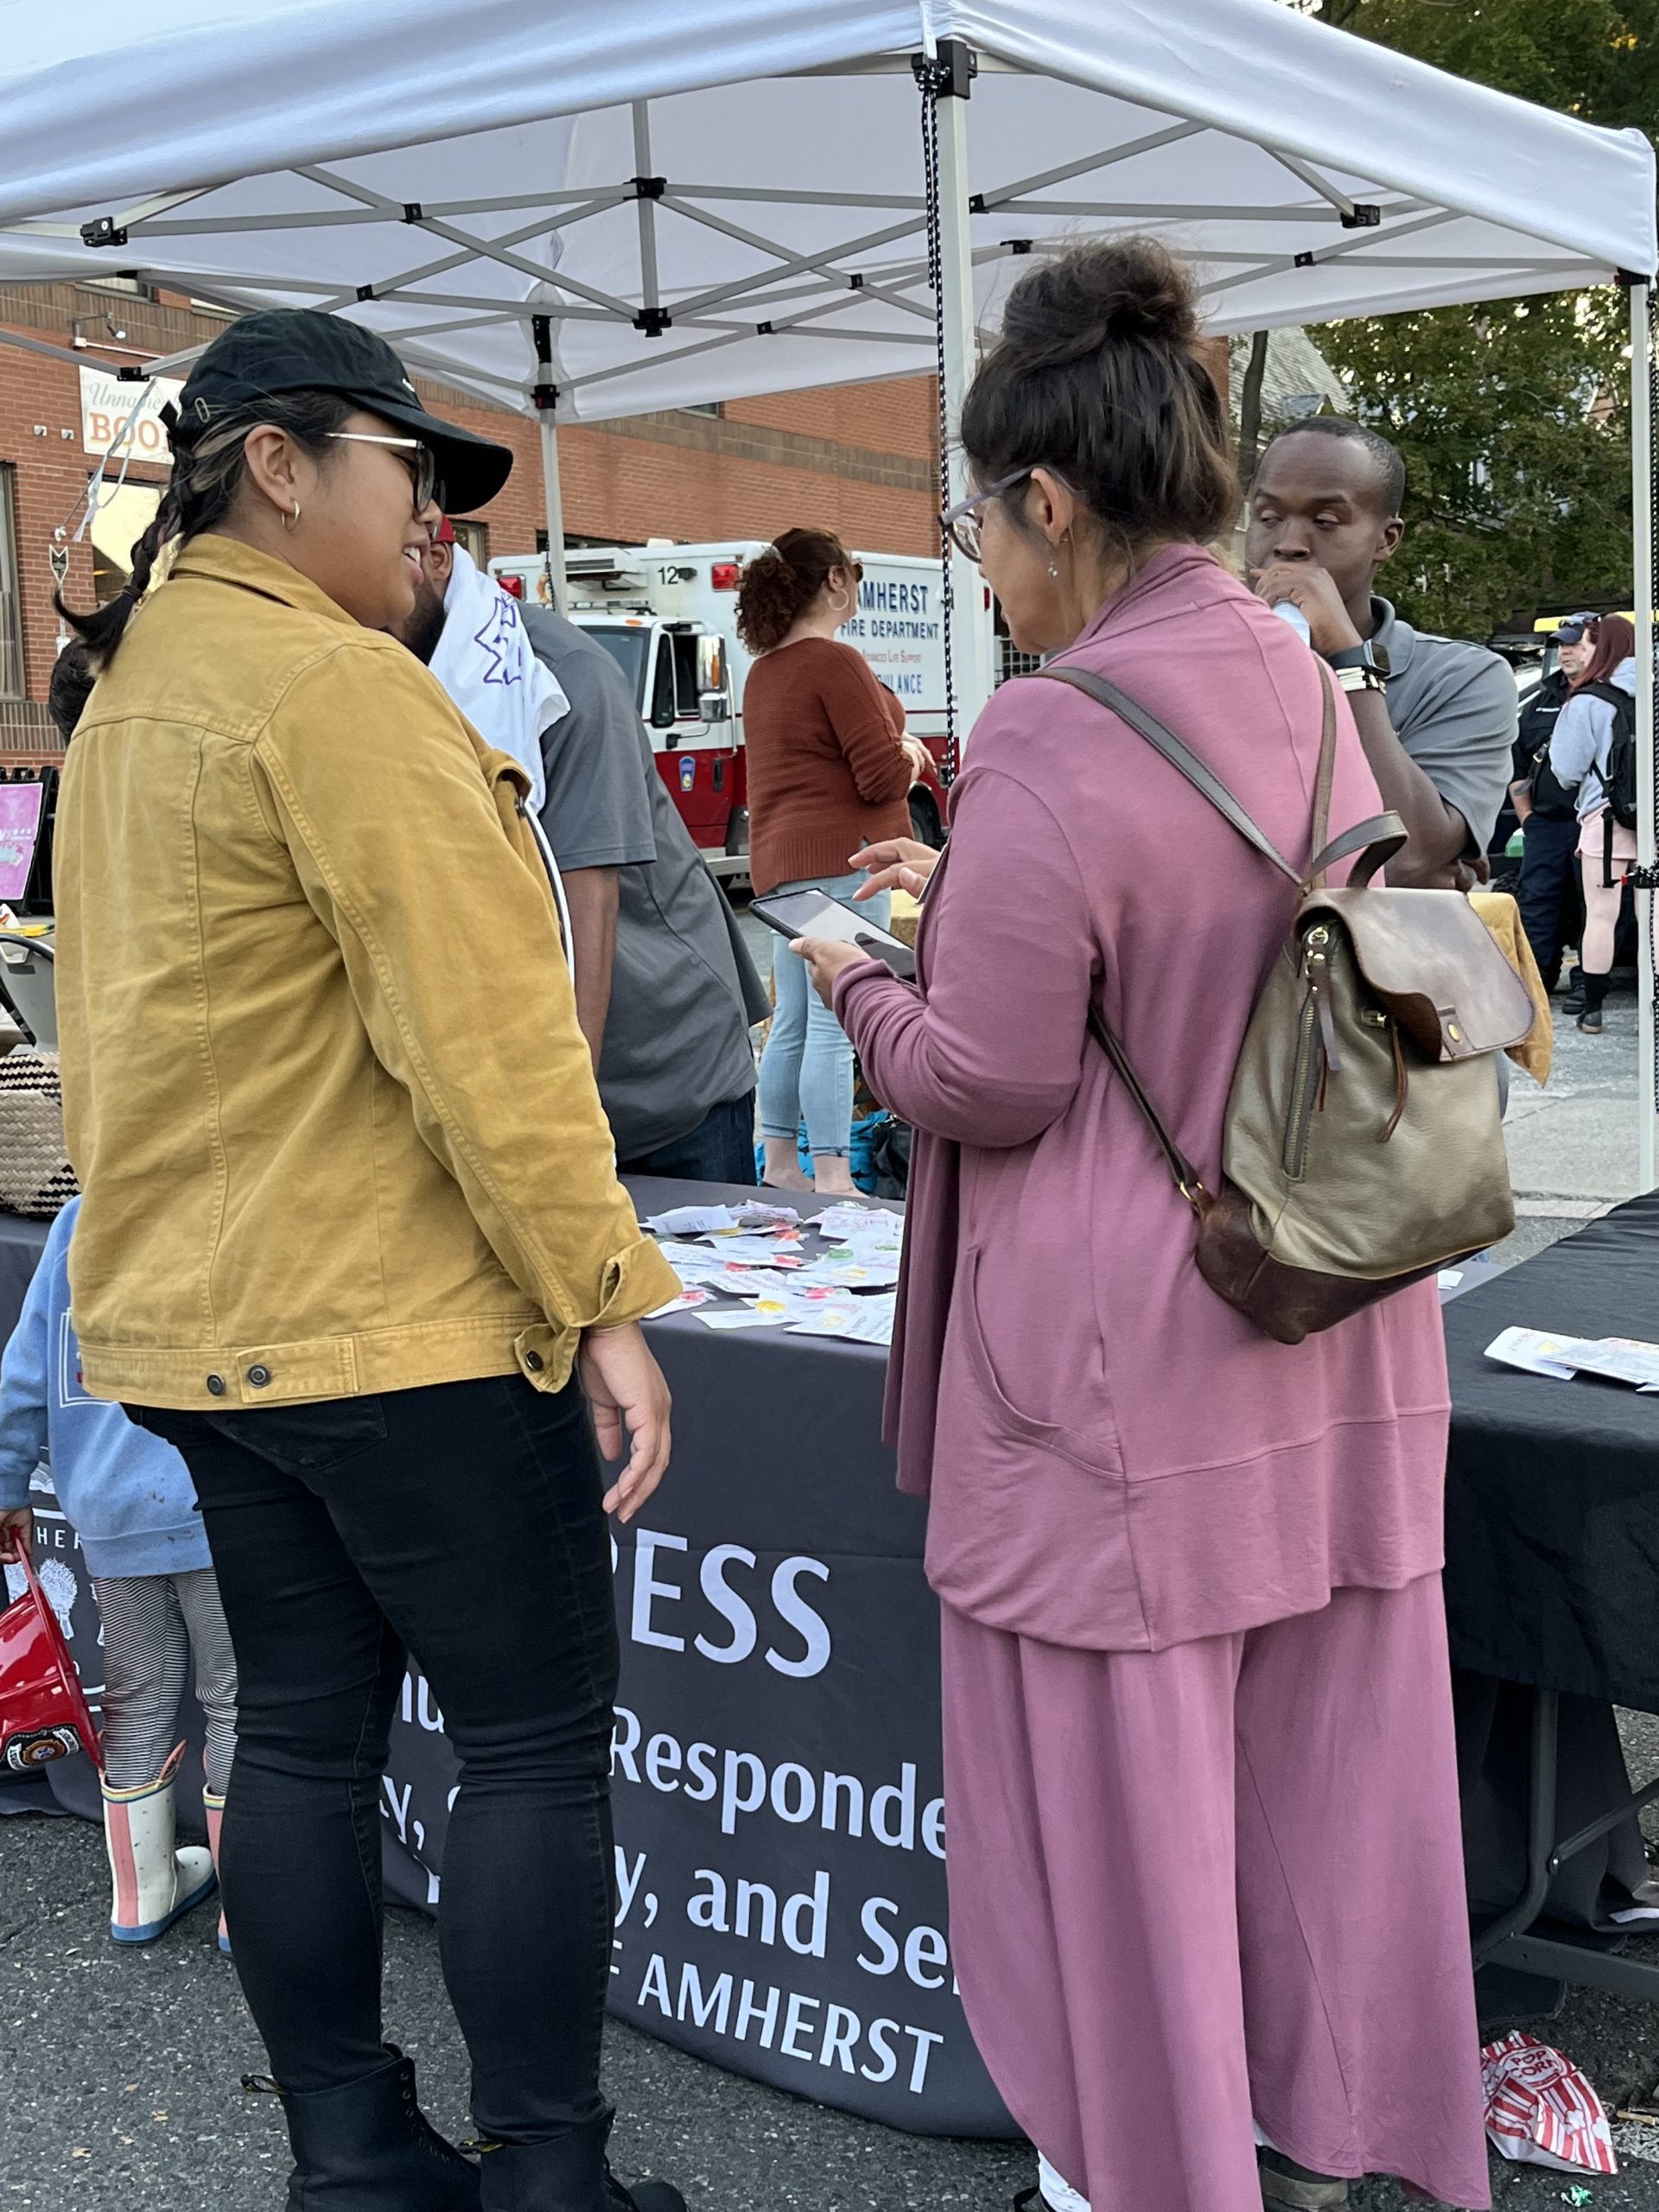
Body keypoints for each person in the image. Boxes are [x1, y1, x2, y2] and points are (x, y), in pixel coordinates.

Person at [797, 241, 1489, 2212]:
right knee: (1319, 1795)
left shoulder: (1050, 724)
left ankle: (1143, 2166)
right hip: (1333, 1299)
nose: (980, 566)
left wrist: (858, 968)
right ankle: (1318, 2115)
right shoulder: (1299, 659)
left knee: (1115, 1827)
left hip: (1120, 1363)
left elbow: (988, 1077)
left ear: (1045, 498)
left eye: (976, 522)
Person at [51, 308, 684, 2212]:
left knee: (313, 1737)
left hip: (205, 1326)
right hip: (391, 1324)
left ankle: (353, 2155)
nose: (438, 520)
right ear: (280, 461)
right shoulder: (331, 693)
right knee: (531, 1743)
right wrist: (604, 1298)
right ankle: (548, 2175)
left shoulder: (139, 692)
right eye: (412, 470)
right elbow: (492, 1046)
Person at [402, 522, 768, 1183]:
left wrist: (564, 1139)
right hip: (518, 1084)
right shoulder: (390, 662)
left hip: (662, 1076)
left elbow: (586, 905)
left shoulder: (561, 674)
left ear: (432, 556)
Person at [0, 1197, 237, 1950]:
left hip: (106, 1505)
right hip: (214, 1499)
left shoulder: (78, 1217)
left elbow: (26, 1374)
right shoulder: (227, 1199)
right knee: (237, 1701)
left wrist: (6, 1486)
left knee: (136, 1699)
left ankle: (141, 1898)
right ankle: (251, 1910)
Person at [736, 529, 930, 1193]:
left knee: (789, 1018)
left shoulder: (763, 674)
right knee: (836, 1017)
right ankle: (834, 1174)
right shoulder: (836, 661)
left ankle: (782, 1164)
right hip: (849, 859)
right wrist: (909, 755)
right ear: (834, 584)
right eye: (853, 573)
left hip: (780, 866)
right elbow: (879, 779)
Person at [1247, 416, 1516, 888]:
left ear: (1385, 539)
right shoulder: (1206, 667)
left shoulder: (1462, 677)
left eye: (1325, 522)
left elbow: (1407, 855)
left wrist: (1350, 662)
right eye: (1268, 518)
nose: (1288, 544)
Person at [1550, 613, 1638, 1034]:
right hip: (1653, 821)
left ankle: (1593, 1009)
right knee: (1655, 915)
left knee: (1601, 914)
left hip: (1607, 821)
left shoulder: (1587, 702)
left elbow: (1565, 770)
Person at [1511, 615, 1594, 993]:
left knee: (1593, 904)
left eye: (1574, 644)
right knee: (1537, 901)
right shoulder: (1540, 701)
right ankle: (1536, 982)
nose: (1565, 651)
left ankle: (1587, 983)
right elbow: (1518, 766)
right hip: (1547, 822)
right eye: (1561, 644)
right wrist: (1528, 819)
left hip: (1597, 821)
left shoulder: (1618, 700)